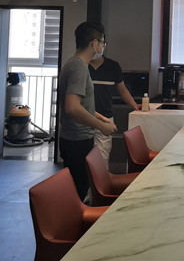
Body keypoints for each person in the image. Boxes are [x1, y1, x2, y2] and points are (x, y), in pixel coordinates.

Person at [58, 22, 117, 201]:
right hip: (77, 141)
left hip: (74, 139)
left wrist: (101, 118)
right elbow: (72, 107)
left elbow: (81, 105)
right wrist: (101, 126)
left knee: (79, 189)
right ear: (94, 43)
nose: (103, 47)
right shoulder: (79, 68)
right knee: (79, 193)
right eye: (102, 43)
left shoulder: (73, 64)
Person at [89, 39, 142, 168]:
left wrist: (134, 105)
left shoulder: (112, 66)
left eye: (103, 44)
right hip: (84, 117)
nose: (101, 47)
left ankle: (99, 182)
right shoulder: (81, 66)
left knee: (102, 159)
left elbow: (122, 90)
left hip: (105, 117)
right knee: (83, 158)